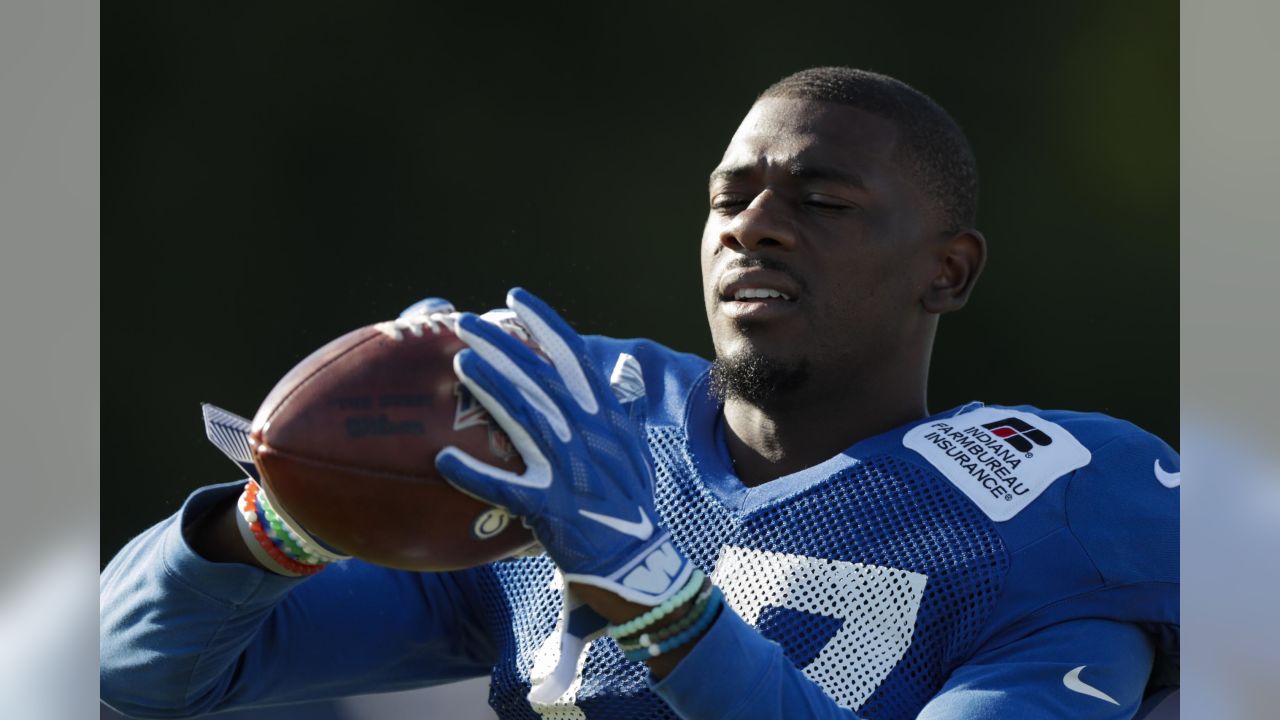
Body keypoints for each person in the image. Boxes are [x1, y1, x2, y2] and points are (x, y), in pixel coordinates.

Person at [100, 67, 1179, 719]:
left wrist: (660, 598)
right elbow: (144, 676)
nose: (750, 224)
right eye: (729, 196)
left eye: (820, 198)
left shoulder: (1047, 513)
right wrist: (277, 522)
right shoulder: (566, 448)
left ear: (944, 270)